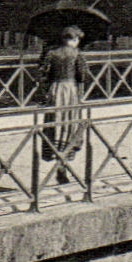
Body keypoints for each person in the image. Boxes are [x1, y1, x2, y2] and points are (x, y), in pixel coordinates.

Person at [36, 25, 92, 183]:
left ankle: (55, 156)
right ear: (73, 39)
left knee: (55, 123)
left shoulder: (52, 53)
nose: (77, 43)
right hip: (69, 91)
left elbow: (42, 73)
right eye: (77, 40)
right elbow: (82, 75)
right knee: (69, 124)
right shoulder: (77, 54)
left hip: (55, 90)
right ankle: (63, 164)